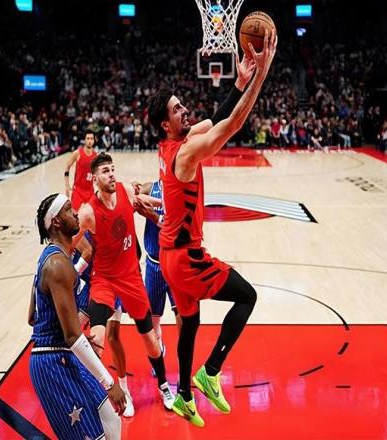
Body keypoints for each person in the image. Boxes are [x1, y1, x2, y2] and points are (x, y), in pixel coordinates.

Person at [145, 32, 277, 426]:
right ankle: (210, 372)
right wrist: (262, 74)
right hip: (187, 258)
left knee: (190, 323)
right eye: (177, 109)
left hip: (170, 256)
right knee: (247, 296)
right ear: (165, 124)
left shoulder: (171, 144)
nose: (185, 110)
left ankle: (184, 396)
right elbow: (231, 125)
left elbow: (215, 119)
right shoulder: (185, 153)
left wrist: (239, 83)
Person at [74, 152, 175, 410]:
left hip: (131, 278)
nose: (111, 174)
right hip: (104, 281)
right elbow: (69, 241)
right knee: (97, 340)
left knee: (150, 341)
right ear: (94, 179)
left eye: (112, 169)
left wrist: (162, 207)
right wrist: (59, 264)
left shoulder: (126, 190)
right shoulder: (88, 212)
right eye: (105, 171)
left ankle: (164, 386)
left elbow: (140, 201)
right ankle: (100, 394)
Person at [29, 193, 124, 439]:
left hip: (63, 354)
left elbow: (32, 317)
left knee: (111, 419)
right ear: (56, 222)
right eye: (69, 210)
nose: (75, 213)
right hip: (52, 364)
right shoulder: (58, 265)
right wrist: (109, 383)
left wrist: (66, 332)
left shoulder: (51, 257)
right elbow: (72, 336)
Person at [72, 232, 136, 417]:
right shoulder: (72, 230)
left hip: (111, 282)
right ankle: (84, 391)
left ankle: (124, 389)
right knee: (78, 340)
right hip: (89, 287)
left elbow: (132, 251)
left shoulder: (103, 224)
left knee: (112, 338)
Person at [138, 180, 182, 367]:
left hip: (175, 264)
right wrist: (137, 197)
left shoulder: (182, 191)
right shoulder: (151, 188)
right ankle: (159, 355)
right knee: (154, 320)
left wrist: (154, 216)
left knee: (182, 316)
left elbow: (174, 226)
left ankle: (183, 361)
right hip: (154, 265)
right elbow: (133, 198)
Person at [64, 129, 98, 212]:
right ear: (84, 140)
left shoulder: (96, 156)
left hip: (90, 191)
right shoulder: (77, 153)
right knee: (73, 215)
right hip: (78, 190)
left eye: (91, 139)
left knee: (92, 214)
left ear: (94, 140)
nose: (89, 141)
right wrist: (67, 185)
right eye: (88, 138)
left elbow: (97, 173)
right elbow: (67, 167)